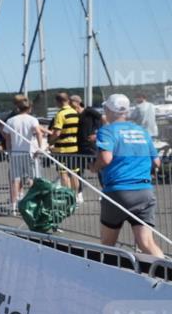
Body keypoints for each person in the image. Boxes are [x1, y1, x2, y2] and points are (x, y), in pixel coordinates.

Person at [91, 94, 163, 257]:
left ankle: (108, 277)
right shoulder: (142, 131)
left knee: (108, 244)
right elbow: (157, 162)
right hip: (144, 190)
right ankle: (166, 276)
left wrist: (94, 167)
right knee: (147, 243)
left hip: (118, 191)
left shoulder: (107, 131)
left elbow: (106, 158)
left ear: (108, 110)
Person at [2, 99, 44, 214]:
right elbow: (39, 133)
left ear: (17, 108)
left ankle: (13, 206)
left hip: (16, 153)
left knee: (15, 180)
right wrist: (40, 148)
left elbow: (7, 137)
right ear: (29, 108)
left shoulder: (11, 120)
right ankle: (31, 203)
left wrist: (9, 149)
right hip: (29, 152)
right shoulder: (32, 120)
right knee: (31, 179)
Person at [49, 92, 80, 192]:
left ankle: (68, 197)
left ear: (58, 102)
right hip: (74, 147)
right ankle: (76, 196)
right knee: (74, 173)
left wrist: (50, 141)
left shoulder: (60, 114)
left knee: (63, 173)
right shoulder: (75, 113)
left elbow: (57, 133)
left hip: (62, 148)